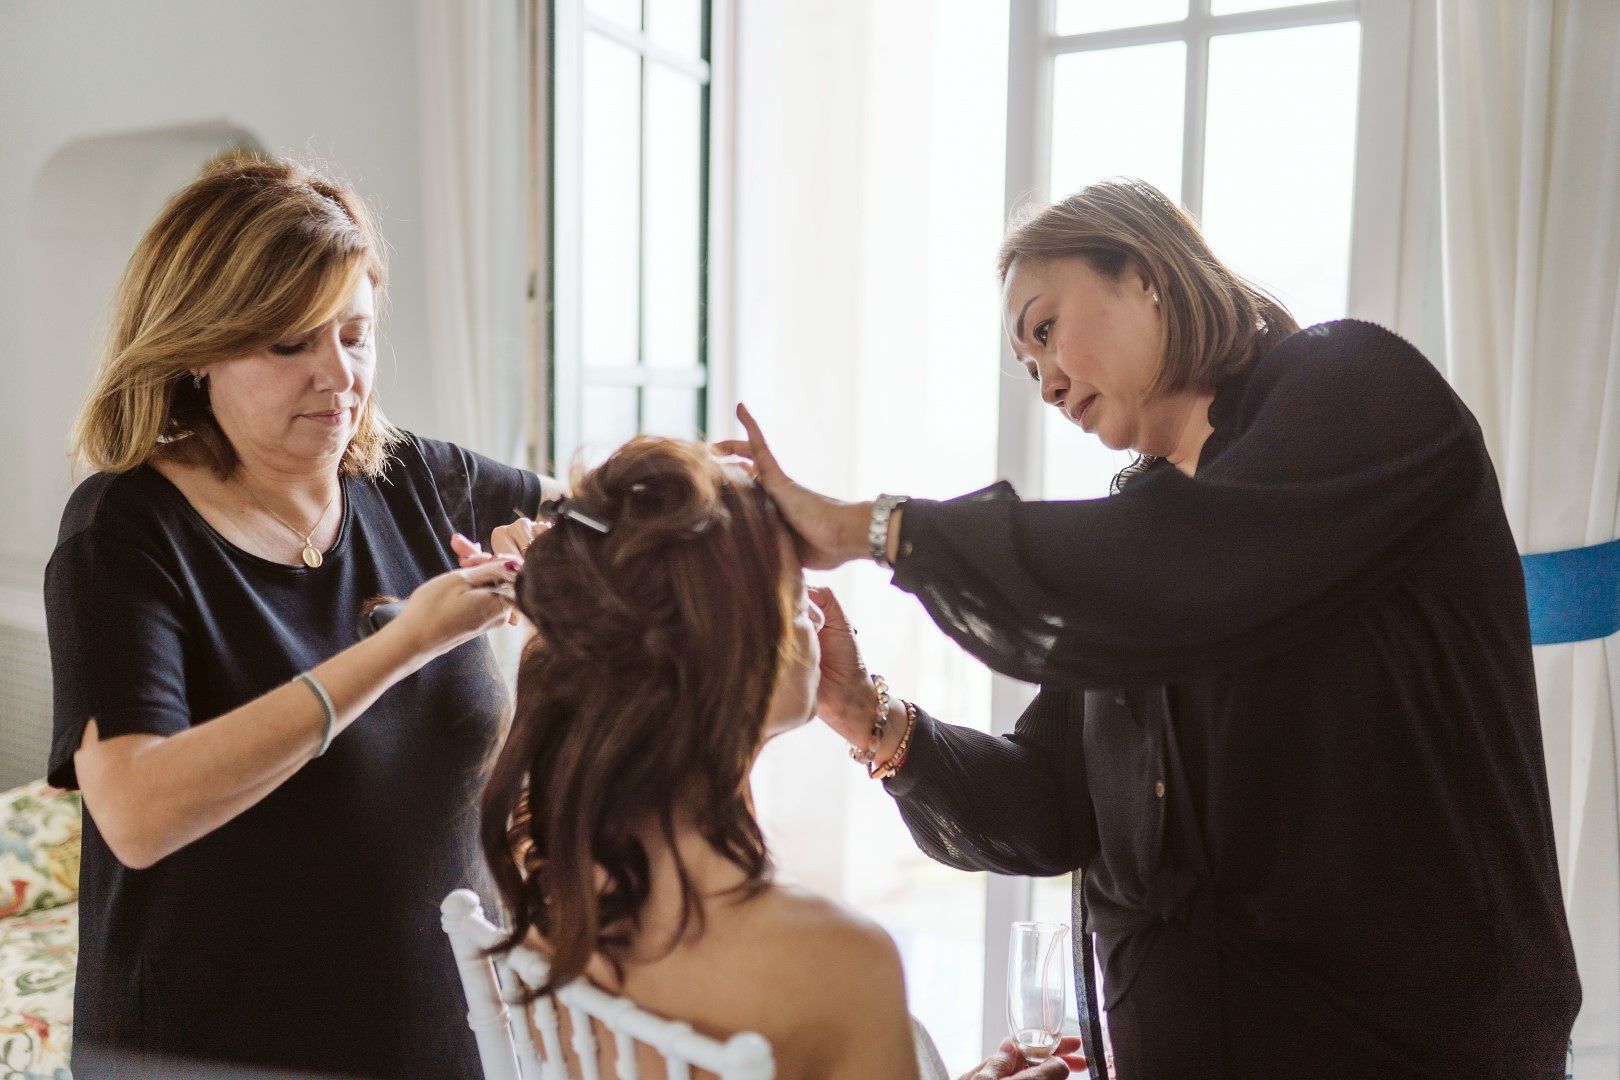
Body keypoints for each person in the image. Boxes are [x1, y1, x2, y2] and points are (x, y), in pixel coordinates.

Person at [716, 178, 1581, 1077]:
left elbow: (1194, 569)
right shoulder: (1140, 547)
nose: (1046, 382)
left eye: (1045, 330)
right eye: (1025, 365)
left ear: (1146, 275)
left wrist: (871, 525)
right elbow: (1051, 806)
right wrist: (863, 713)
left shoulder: (1354, 390)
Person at [47, 153, 558, 1078]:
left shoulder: (409, 478)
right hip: (210, 1052)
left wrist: (662, 500)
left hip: (441, 1034)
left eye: (355, 337)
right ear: (197, 348)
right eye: (290, 345)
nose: (339, 376)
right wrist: (404, 645)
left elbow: (588, 514)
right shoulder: (122, 533)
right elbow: (136, 810)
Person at [477, 436, 1086, 1080]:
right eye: (796, 596)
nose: (818, 618)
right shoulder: (839, 960)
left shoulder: (551, 878)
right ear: (735, 647)